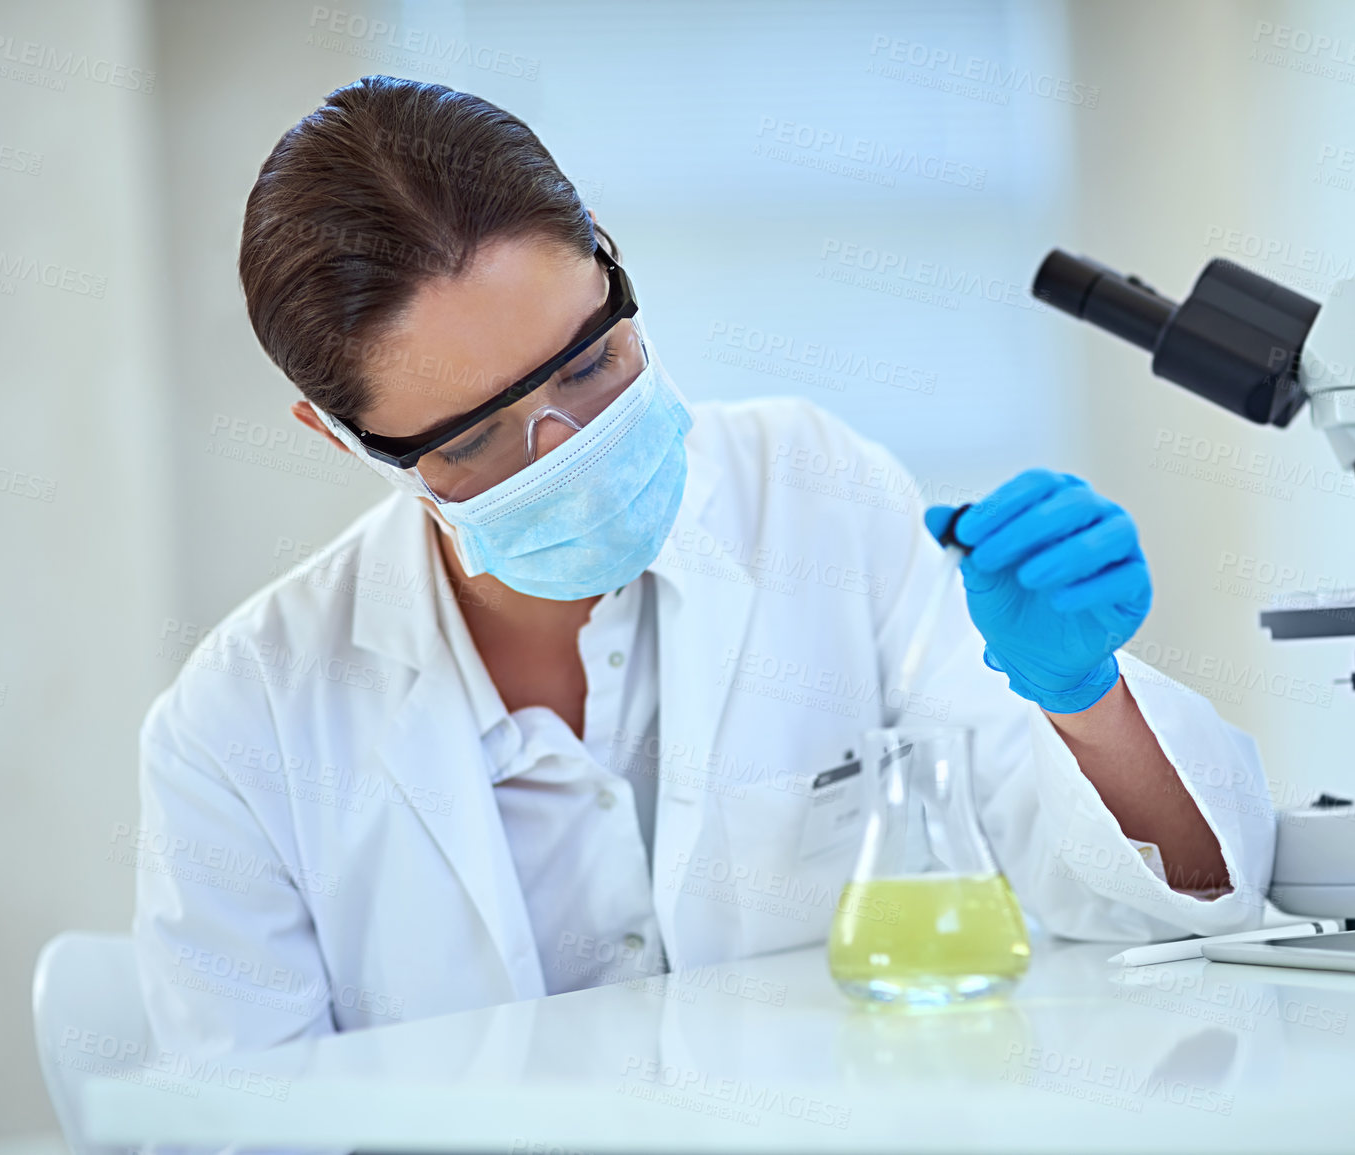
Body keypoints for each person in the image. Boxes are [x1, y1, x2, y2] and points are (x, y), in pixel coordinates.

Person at [133, 74, 1273, 1057]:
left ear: (613, 273)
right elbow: (245, 1118)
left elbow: (1139, 912)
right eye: (476, 437)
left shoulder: (813, 489)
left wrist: (1083, 698)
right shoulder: (243, 726)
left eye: (589, 364)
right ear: (340, 438)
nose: (567, 455)